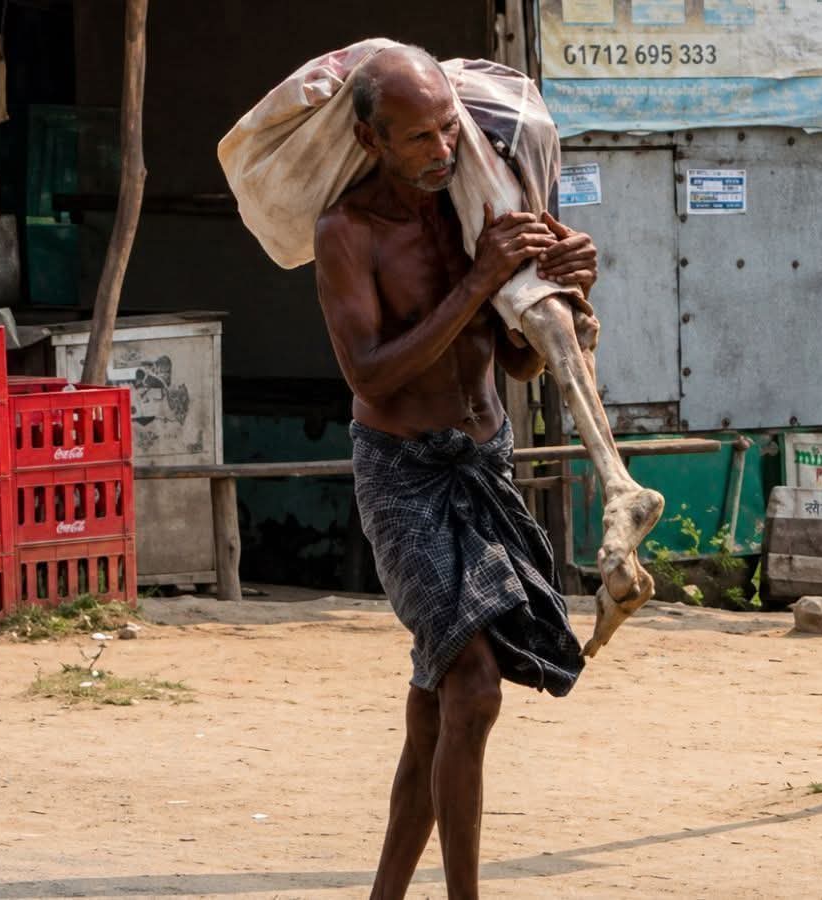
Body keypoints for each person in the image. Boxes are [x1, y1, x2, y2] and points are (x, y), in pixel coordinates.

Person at [313, 45, 600, 899]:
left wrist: (569, 293)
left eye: (450, 129)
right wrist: (480, 281)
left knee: (438, 700)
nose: (443, 151)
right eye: (418, 138)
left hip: (484, 461)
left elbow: (518, 364)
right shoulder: (348, 232)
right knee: (472, 685)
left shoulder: (475, 207)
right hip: (402, 473)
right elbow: (371, 373)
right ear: (370, 138)